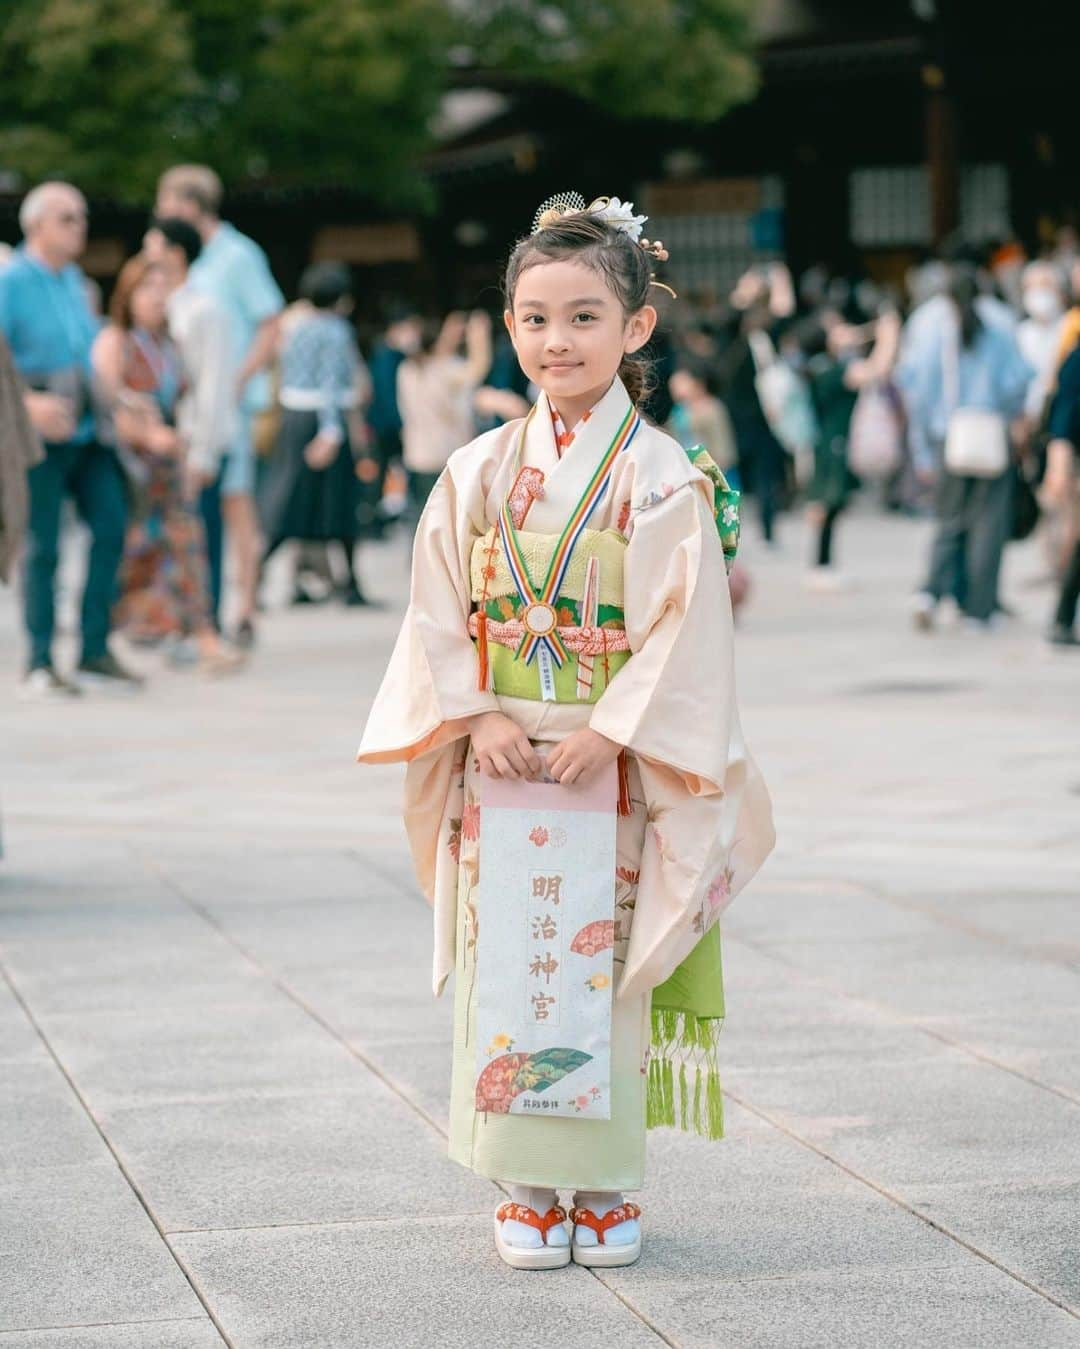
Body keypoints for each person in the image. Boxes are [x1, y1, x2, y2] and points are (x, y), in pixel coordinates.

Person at [357, 194, 774, 1272]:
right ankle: (527, 1181)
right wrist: (479, 710)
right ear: (508, 325)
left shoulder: (664, 476)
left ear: (637, 326)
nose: (557, 340)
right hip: (501, 757)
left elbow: (691, 628)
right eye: (534, 317)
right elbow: (437, 609)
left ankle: (603, 1179)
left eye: (585, 316)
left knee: (605, 959)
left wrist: (620, 730)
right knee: (517, 953)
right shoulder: (478, 469)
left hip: (615, 764)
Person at [0, 181, 141, 696]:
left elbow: (87, 356)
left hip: (87, 426)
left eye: (81, 216)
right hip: (37, 427)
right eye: (68, 217)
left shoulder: (74, 281)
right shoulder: (11, 281)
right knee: (42, 546)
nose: (80, 225)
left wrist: (122, 399)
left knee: (110, 526)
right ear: (36, 224)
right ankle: (39, 659)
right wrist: (27, 405)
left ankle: (94, 649)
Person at [155, 165, 285, 647]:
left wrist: (236, 377)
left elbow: (271, 322)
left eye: (165, 203)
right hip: (196, 406)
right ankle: (202, 610)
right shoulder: (189, 258)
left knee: (235, 506)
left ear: (189, 204)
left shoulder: (236, 255)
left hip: (233, 404)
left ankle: (243, 609)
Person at [899, 267, 1031, 632]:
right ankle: (978, 608)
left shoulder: (927, 322)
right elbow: (1017, 382)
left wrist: (921, 449)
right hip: (991, 432)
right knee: (988, 523)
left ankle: (931, 591)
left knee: (949, 519)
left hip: (947, 434)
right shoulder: (1001, 320)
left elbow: (916, 389)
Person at [258, 261, 372, 606]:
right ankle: (351, 584)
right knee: (339, 503)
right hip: (323, 421)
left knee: (290, 498)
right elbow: (330, 384)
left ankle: (256, 572)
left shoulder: (296, 328)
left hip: (293, 418)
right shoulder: (336, 331)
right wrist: (331, 432)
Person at [142, 217, 237, 515]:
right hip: (161, 441)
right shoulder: (155, 306)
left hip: (196, 438)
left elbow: (214, 381)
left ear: (176, 253)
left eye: (152, 246)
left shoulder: (205, 310)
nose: (146, 254)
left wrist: (203, 454)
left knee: (203, 542)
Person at [803, 309, 901, 588]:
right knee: (827, 504)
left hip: (833, 441)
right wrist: (887, 337)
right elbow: (876, 370)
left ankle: (824, 565)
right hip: (831, 444)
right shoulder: (828, 369)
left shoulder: (828, 365)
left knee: (832, 505)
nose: (845, 330)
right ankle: (819, 566)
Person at [396, 310, 492, 522]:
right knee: (450, 521)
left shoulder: (406, 370)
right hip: (447, 454)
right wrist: (479, 337)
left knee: (423, 519)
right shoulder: (445, 370)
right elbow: (478, 368)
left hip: (417, 455)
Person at [365, 305, 422, 533]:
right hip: (386, 425)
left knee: (388, 471)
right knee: (383, 472)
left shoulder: (389, 354)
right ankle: (377, 520)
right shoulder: (387, 355)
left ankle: (384, 516)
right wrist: (401, 423)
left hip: (387, 423)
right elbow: (388, 395)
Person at [1043, 345, 1080, 646]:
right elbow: (1063, 416)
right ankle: (1062, 618)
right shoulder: (1076, 358)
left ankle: (1062, 618)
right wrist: (1060, 465)